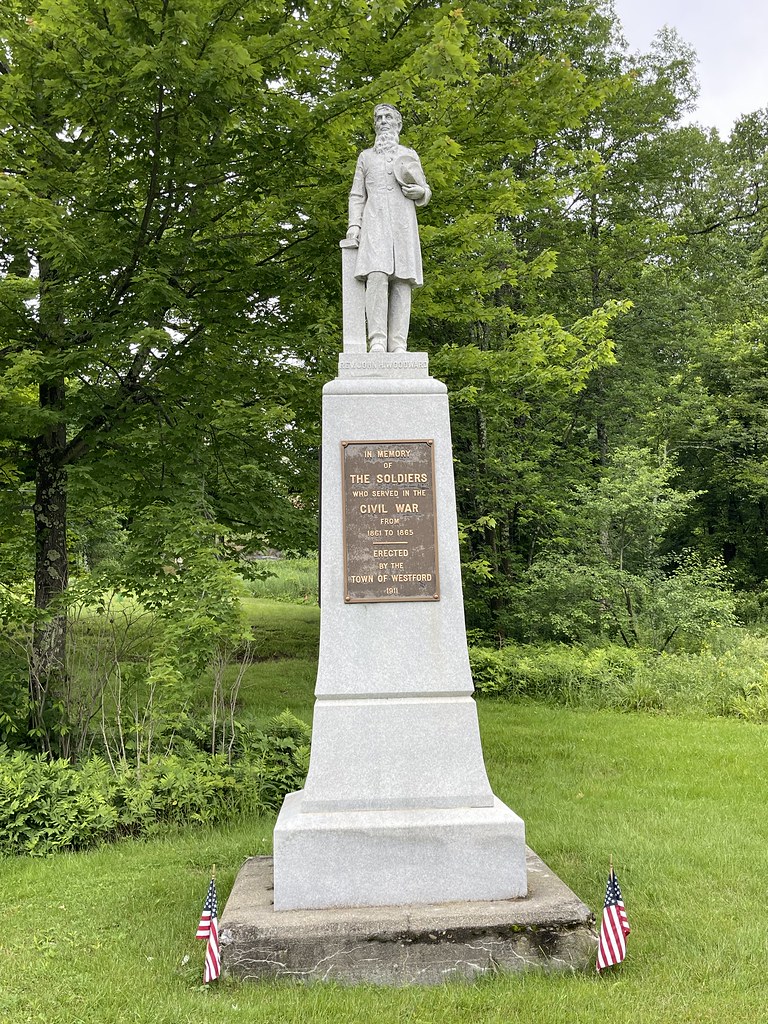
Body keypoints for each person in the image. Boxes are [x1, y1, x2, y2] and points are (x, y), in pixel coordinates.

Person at [346, 104, 431, 353]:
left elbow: (424, 188)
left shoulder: (409, 155)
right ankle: (378, 340)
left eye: (388, 117)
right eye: (379, 118)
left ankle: (398, 343)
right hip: (374, 223)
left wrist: (421, 193)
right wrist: (354, 225)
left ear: (398, 124)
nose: (383, 121)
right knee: (376, 277)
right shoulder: (366, 157)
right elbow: (356, 194)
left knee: (403, 281)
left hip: (403, 225)